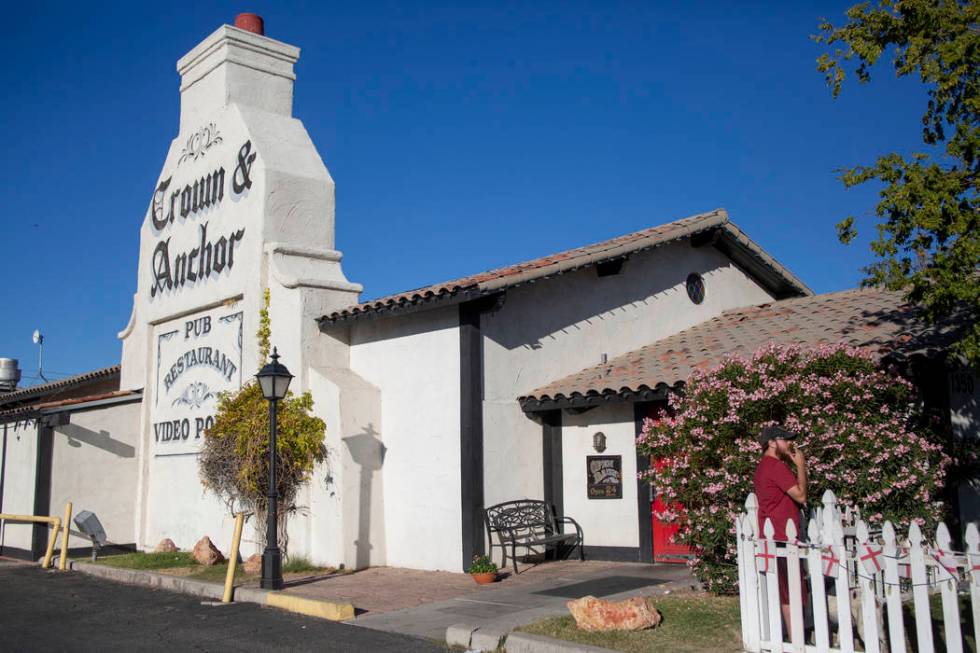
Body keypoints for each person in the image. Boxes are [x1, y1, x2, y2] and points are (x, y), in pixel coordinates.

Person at [753, 424, 808, 640]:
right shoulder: (776, 467)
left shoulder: (764, 466)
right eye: (784, 440)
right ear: (772, 443)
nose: (788, 443)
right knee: (790, 591)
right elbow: (801, 496)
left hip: (775, 533)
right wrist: (801, 466)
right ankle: (797, 641)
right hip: (782, 535)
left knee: (786, 588)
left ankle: (793, 637)